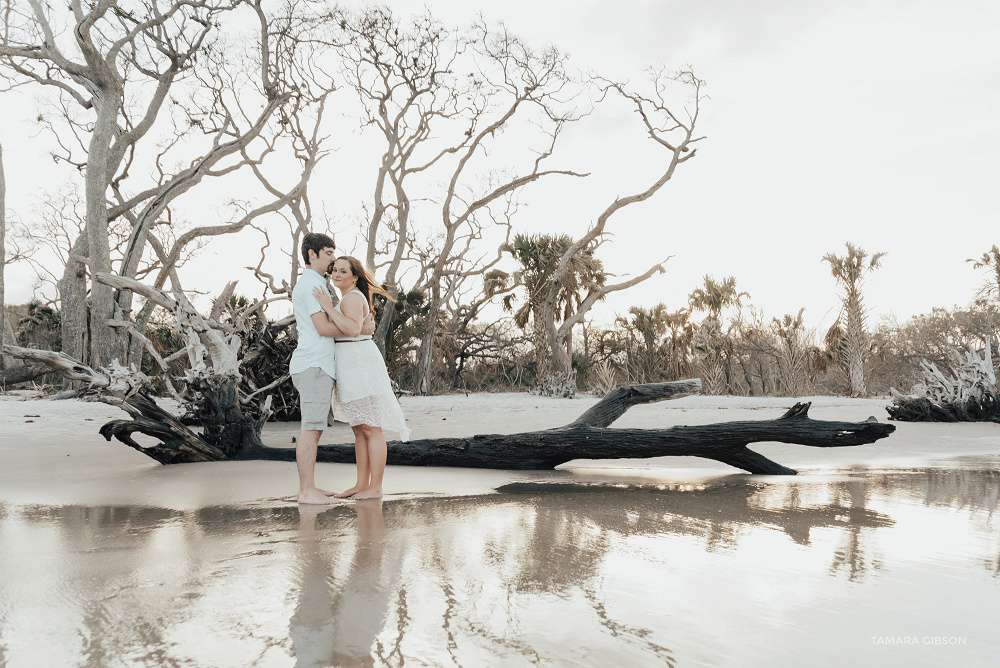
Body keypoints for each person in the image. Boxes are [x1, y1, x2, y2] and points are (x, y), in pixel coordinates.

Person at [313, 256, 410, 500]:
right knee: (359, 429)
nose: (336, 274)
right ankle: (360, 484)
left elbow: (354, 329)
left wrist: (327, 307)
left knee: (370, 428)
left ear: (355, 276)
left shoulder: (353, 297)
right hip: (351, 362)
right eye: (334, 270)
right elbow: (355, 328)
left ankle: (375, 487)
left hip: (359, 363)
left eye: (343, 271)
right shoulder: (349, 297)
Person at [290, 233, 375, 505]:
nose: (331, 259)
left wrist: (355, 326)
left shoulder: (317, 283)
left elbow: (330, 323)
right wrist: (357, 328)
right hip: (313, 363)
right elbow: (323, 327)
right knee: (311, 428)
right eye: (328, 253)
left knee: (314, 427)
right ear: (312, 254)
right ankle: (306, 491)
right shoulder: (311, 285)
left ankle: (310, 487)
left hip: (319, 364)